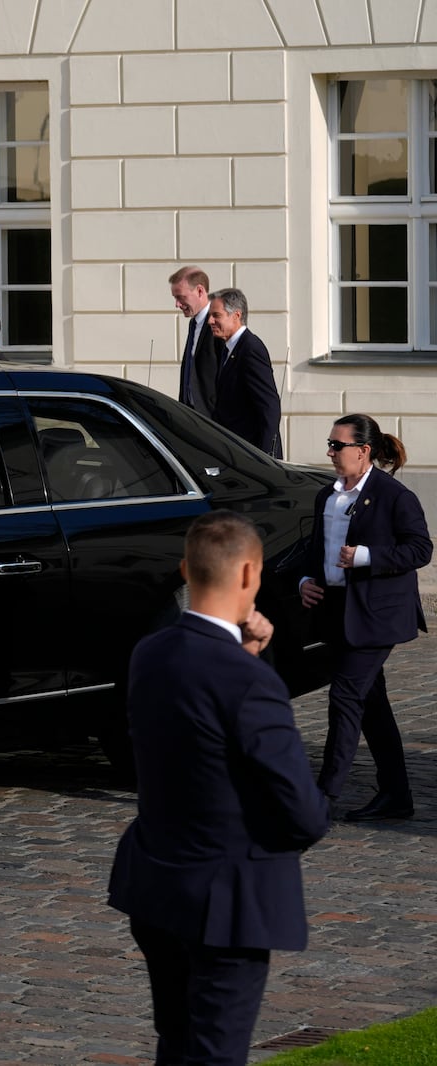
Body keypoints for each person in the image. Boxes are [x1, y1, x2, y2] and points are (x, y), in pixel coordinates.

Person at [109, 510, 330, 1066]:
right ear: (251, 576)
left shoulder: (149, 653)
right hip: (225, 899)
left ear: (186, 570)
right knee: (215, 1052)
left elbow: (198, 737)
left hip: (157, 883)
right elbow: (303, 812)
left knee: (177, 1041)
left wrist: (247, 654)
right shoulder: (250, 681)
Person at [298, 414, 432, 821]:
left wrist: (366, 556)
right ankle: (396, 795)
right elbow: (315, 547)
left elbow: (420, 549)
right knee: (373, 705)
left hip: (378, 614)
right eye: (330, 444)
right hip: (339, 611)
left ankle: (323, 798)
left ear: (363, 451)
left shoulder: (394, 496)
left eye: (337, 446)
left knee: (345, 697)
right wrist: (306, 578)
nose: (330, 452)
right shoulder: (327, 496)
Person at [205, 289, 283, 458]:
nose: (210, 321)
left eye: (216, 315)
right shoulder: (226, 349)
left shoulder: (250, 349)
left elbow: (269, 406)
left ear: (236, 315)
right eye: (210, 315)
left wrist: (266, 457)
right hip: (234, 451)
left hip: (252, 455)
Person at [169, 266, 219, 418]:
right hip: (191, 417)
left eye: (181, 297)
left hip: (214, 421)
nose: (177, 304)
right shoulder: (194, 323)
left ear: (200, 291)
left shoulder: (219, 323)